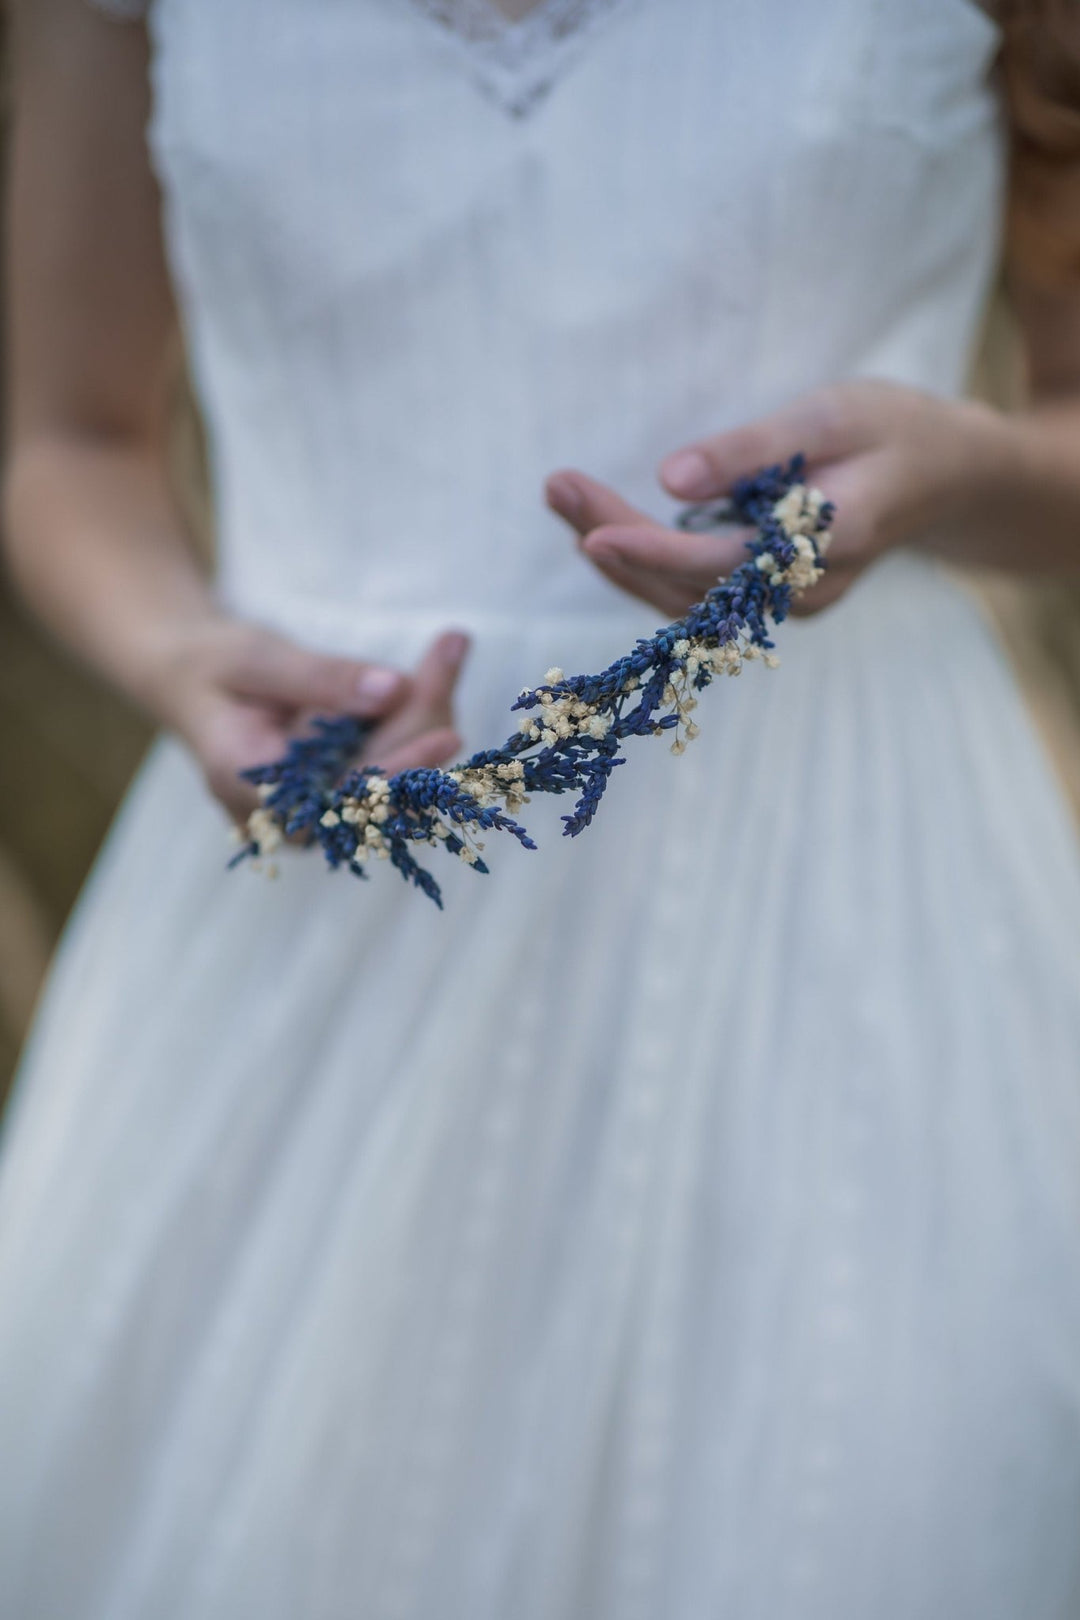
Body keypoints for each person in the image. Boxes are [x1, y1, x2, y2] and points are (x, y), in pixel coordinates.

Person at [1, 1, 1079, 1615]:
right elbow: (65, 438)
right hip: (320, 886)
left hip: (843, 905)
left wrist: (959, 468)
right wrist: (187, 659)